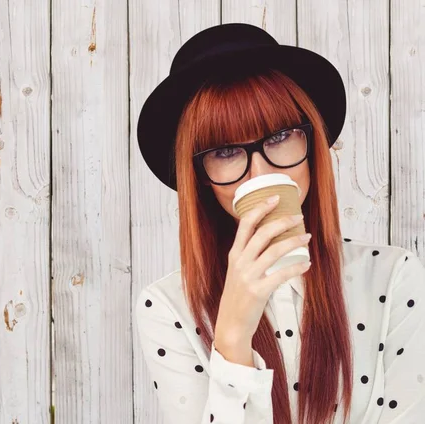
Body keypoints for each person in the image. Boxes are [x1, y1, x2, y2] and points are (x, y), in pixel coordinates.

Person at [134, 23, 425, 424]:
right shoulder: (166, 307)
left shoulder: (394, 279)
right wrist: (233, 333)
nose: (259, 171)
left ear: (311, 145)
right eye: (225, 151)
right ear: (199, 177)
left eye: (281, 135)